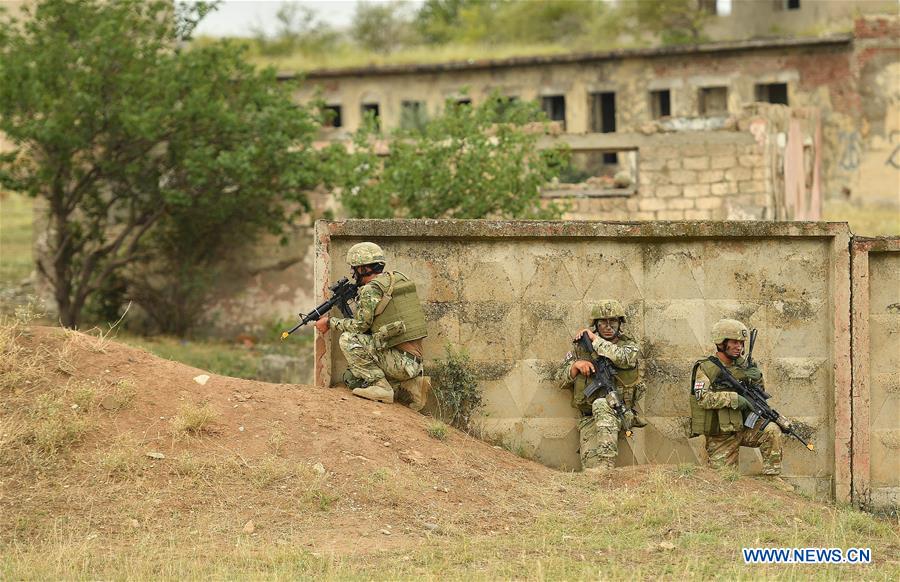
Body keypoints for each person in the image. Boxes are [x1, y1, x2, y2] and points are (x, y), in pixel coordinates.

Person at [314, 242, 428, 409]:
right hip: (413, 362)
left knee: (348, 339)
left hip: (399, 362)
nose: (353, 273)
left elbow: (360, 326)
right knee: (352, 377)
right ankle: (401, 386)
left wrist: (330, 322)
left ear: (364, 269)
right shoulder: (396, 279)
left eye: (355, 268)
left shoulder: (371, 290)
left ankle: (382, 388)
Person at [690, 318, 787, 485]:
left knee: (772, 430)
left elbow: (758, 394)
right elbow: (702, 399)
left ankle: (772, 479)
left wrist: (757, 379)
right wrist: (735, 399)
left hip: (746, 427)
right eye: (734, 342)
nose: (739, 347)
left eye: (741, 343)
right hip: (722, 435)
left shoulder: (744, 365)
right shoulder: (706, 368)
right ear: (721, 343)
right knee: (722, 483)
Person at [556, 300, 646, 472]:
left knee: (601, 403)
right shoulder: (580, 349)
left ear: (620, 324)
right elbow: (559, 379)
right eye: (602, 322)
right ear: (595, 324)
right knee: (591, 471)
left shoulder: (629, 346)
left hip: (620, 412)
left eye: (613, 321)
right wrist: (575, 366)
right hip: (589, 417)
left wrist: (594, 339)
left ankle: (607, 463)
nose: (608, 326)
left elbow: (623, 358)